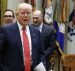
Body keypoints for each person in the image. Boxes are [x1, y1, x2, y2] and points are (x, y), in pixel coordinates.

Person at [0, 3, 46, 71]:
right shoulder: (6, 30)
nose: (26, 15)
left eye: (28, 13)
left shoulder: (36, 32)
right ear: (17, 15)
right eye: (23, 13)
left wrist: (42, 67)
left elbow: (41, 53)